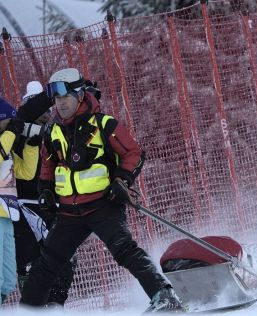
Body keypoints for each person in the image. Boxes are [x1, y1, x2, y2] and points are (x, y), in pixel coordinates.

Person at [19, 68, 185, 312]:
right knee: (47, 262)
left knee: (124, 250)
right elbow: (48, 163)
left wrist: (121, 181)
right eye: (56, 99)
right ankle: (28, 310)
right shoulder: (55, 131)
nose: (60, 103)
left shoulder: (103, 124)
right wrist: (45, 189)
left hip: (102, 204)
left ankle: (165, 296)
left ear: (79, 95)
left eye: (65, 97)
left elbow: (133, 153)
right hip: (68, 211)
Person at [12, 81, 76, 307]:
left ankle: (56, 304)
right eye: (41, 111)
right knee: (30, 260)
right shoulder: (18, 131)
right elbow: (24, 115)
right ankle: (33, 306)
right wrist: (50, 93)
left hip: (51, 203)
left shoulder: (56, 132)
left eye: (47, 113)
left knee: (65, 255)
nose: (45, 116)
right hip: (23, 205)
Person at [0, 97, 24, 304]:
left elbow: (26, 172)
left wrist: (31, 146)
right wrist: (10, 133)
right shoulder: (3, 143)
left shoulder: (6, 147)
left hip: (6, 213)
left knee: (7, 280)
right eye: (8, 122)